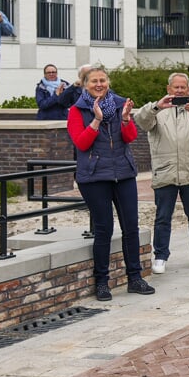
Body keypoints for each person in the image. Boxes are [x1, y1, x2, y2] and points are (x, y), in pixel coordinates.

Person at [67, 66, 154, 301]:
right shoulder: (77, 110)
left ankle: (134, 278)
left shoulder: (119, 104)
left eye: (102, 80)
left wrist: (126, 119)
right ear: (85, 84)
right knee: (104, 229)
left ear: (108, 81)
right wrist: (96, 121)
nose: (99, 84)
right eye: (93, 81)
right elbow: (81, 144)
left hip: (123, 173)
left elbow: (130, 138)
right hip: (94, 177)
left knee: (131, 227)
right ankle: (102, 282)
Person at [134, 73, 189, 273]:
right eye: (176, 87)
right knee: (163, 217)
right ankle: (161, 256)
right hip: (165, 172)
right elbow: (141, 121)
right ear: (168, 88)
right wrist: (156, 106)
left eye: (183, 87)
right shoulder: (158, 110)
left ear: (188, 89)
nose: (180, 91)